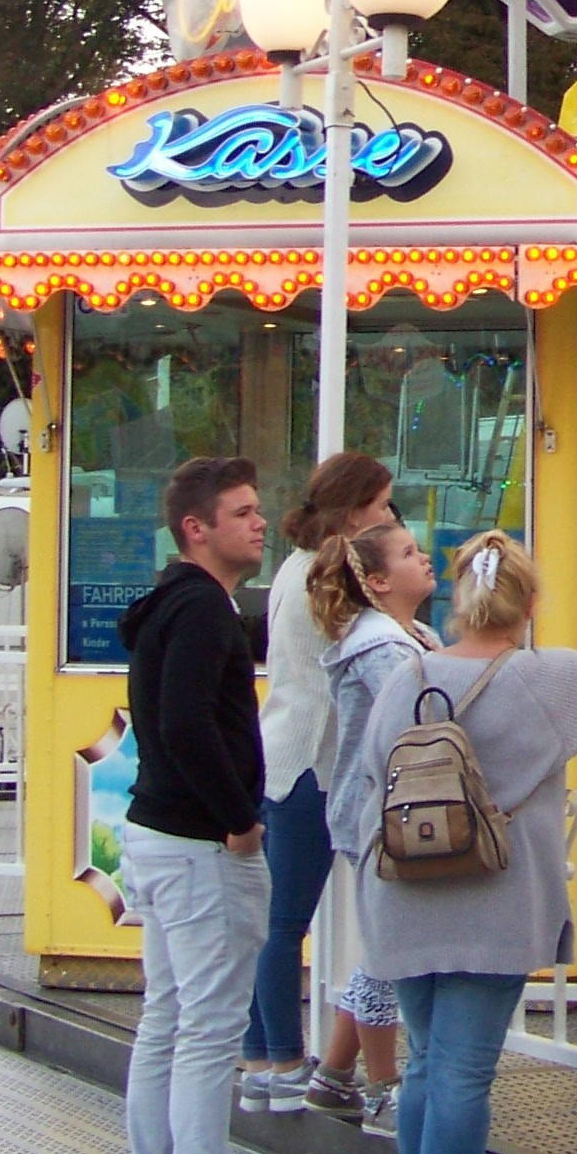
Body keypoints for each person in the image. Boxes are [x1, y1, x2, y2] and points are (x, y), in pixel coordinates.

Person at [334, 532, 577, 1154]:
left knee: (424, 1059)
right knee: (464, 1069)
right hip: (493, 901)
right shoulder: (546, 678)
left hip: (400, 894)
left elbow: (369, 774)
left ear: (460, 600)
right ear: (529, 604)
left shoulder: (407, 675)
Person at [117, 455, 294, 1154]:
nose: (260, 523)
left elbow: (171, 719)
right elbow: (185, 722)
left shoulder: (172, 604)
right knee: (209, 1028)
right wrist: (239, 821)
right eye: (243, 512)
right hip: (198, 846)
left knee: (168, 1019)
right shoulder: (202, 612)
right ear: (197, 528)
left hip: (159, 835)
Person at [241, 452, 397, 1117]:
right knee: (284, 922)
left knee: (273, 920)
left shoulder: (292, 567)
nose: (390, 516)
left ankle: (259, 1057)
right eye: (382, 505)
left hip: (283, 754)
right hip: (314, 763)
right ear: (355, 512)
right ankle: (284, 1060)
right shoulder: (327, 579)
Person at [302, 514, 444, 1138]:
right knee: (391, 949)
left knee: (386, 942)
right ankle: (383, 1085)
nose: (425, 558)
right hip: (386, 815)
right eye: (410, 553)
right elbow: (420, 720)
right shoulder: (384, 650)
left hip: (386, 812)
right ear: (380, 582)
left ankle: (335, 1075)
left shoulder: (409, 637)